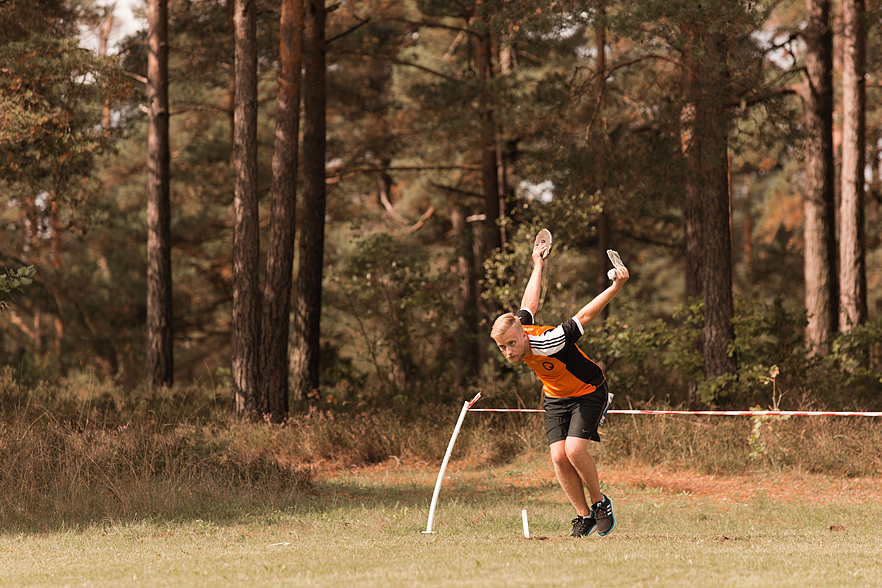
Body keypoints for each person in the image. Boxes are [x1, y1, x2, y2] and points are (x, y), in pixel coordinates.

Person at [490, 234, 629, 538]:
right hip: (556, 396)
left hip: (589, 390)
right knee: (558, 457)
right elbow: (529, 302)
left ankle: (600, 504)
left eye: (511, 344)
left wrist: (615, 286)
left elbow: (584, 315)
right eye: (502, 347)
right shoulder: (520, 327)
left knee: (575, 450)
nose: (509, 352)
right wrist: (537, 263)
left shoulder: (548, 340)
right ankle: (583, 517)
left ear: (524, 336)